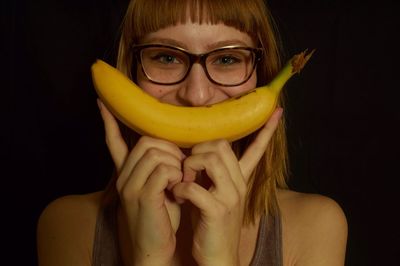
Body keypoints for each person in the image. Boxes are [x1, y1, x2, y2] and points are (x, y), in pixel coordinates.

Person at [36, 0, 348, 265]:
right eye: (166, 57)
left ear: (262, 76)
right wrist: (151, 260)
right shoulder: (68, 225)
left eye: (227, 59)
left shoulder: (316, 226)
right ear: (129, 73)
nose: (196, 95)